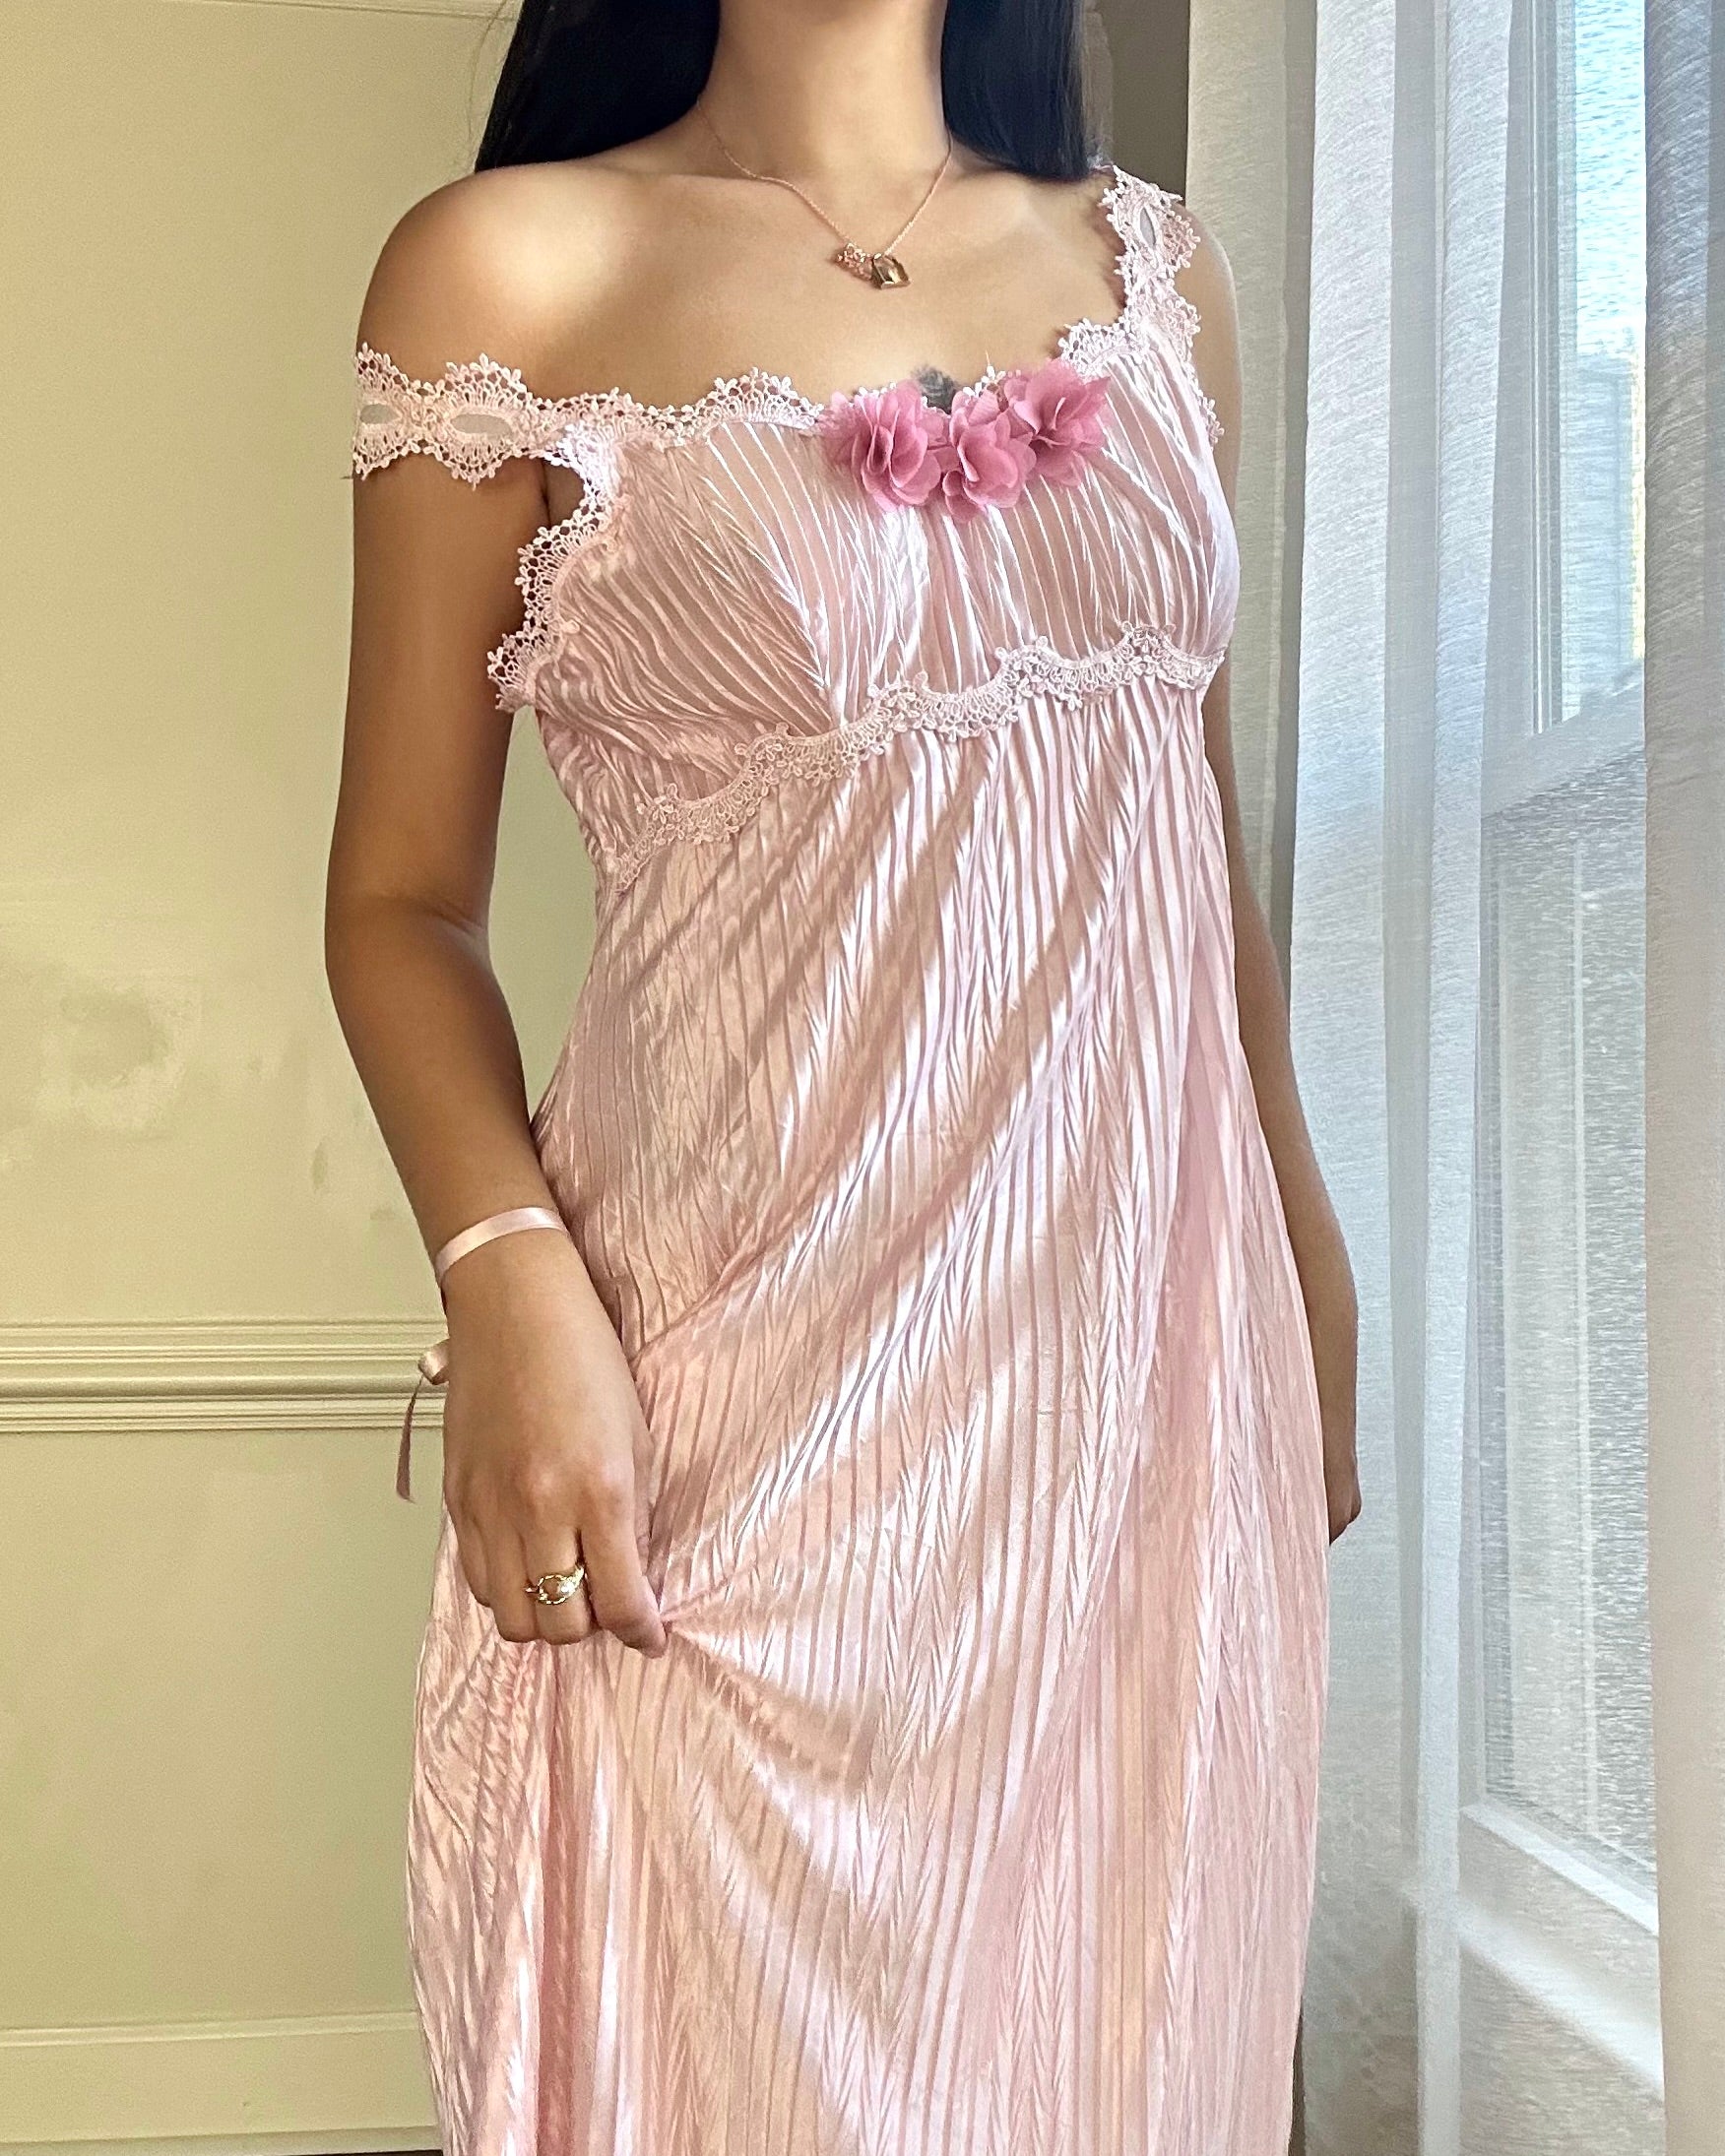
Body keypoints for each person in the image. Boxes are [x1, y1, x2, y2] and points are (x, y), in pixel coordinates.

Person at [326, 0, 1361, 2148]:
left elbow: (1195, 838)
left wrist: (1305, 1238)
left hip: (1135, 1395)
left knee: (1115, 2037)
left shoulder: (1157, 280)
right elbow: (401, 899)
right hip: (729, 1397)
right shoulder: (509, 270)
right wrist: (505, 1272)